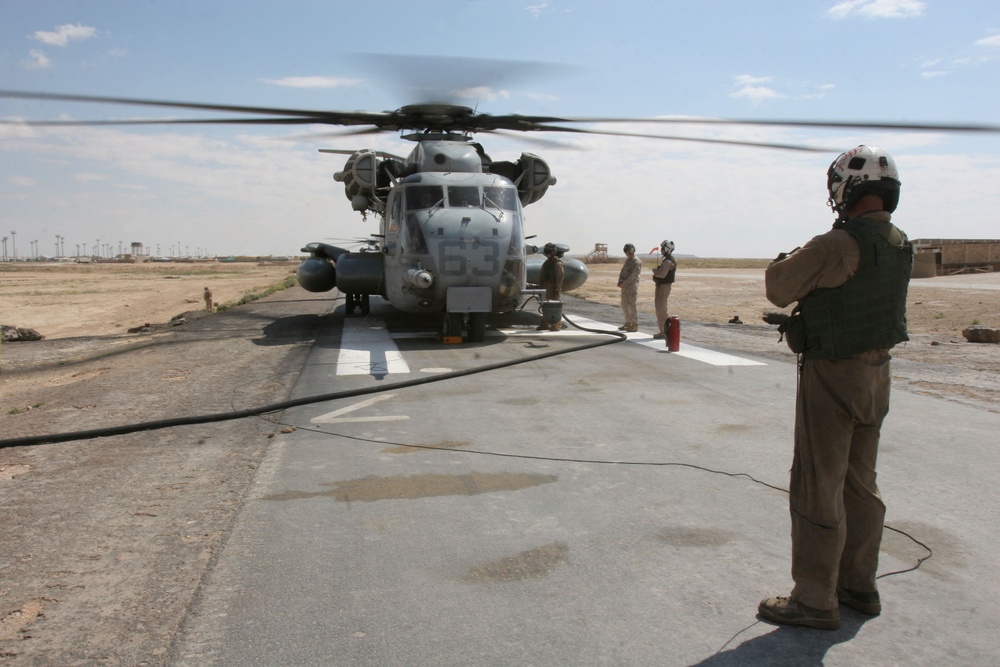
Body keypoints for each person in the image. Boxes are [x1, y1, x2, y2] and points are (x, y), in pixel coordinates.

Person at [759, 145, 912, 630]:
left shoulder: (837, 244)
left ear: (845, 189)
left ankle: (814, 598)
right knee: (860, 483)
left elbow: (779, 286)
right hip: (877, 373)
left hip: (833, 374)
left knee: (816, 482)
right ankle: (858, 584)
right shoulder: (896, 240)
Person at [651, 240, 677, 340]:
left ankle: (665, 331)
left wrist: (656, 272)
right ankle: (663, 330)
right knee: (659, 308)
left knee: (662, 309)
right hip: (661, 286)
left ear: (667, 249)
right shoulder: (666, 260)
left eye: (662, 248)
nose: (661, 250)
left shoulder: (668, 261)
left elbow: (662, 274)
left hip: (664, 286)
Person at [537, 242, 565, 331]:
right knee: (545, 306)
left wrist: (557, 289)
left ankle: (556, 325)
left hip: (553, 288)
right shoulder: (547, 263)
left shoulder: (557, 264)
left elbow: (560, 277)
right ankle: (545, 324)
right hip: (545, 287)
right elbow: (542, 275)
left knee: (554, 307)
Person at [617, 243, 642, 332]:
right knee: (624, 304)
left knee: (631, 305)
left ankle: (634, 324)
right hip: (624, 286)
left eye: (627, 251)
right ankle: (627, 322)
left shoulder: (636, 261)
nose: (626, 253)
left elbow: (633, 275)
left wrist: (625, 283)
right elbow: (623, 271)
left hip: (631, 287)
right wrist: (620, 281)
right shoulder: (628, 260)